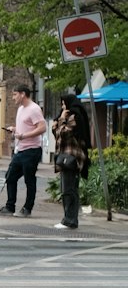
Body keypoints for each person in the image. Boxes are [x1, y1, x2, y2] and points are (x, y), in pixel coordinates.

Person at [0, 84, 47, 217]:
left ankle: (27, 208)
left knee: (29, 180)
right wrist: (15, 129)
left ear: (22, 94)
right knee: (10, 177)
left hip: (31, 150)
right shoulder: (21, 109)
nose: (13, 97)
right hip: (20, 150)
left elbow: (42, 128)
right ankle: (10, 206)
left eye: (15, 94)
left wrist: (24, 136)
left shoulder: (34, 109)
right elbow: (26, 126)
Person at [51, 93, 91, 230]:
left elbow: (63, 133)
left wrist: (61, 120)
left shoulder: (75, 117)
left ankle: (70, 220)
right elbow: (55, 132)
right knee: (65, 189)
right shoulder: (66, 118)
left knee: (70, 190)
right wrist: (60, 122)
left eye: (64, 104)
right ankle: (67, 219)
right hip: (64, 157)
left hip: (73, 158)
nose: (62, 107)